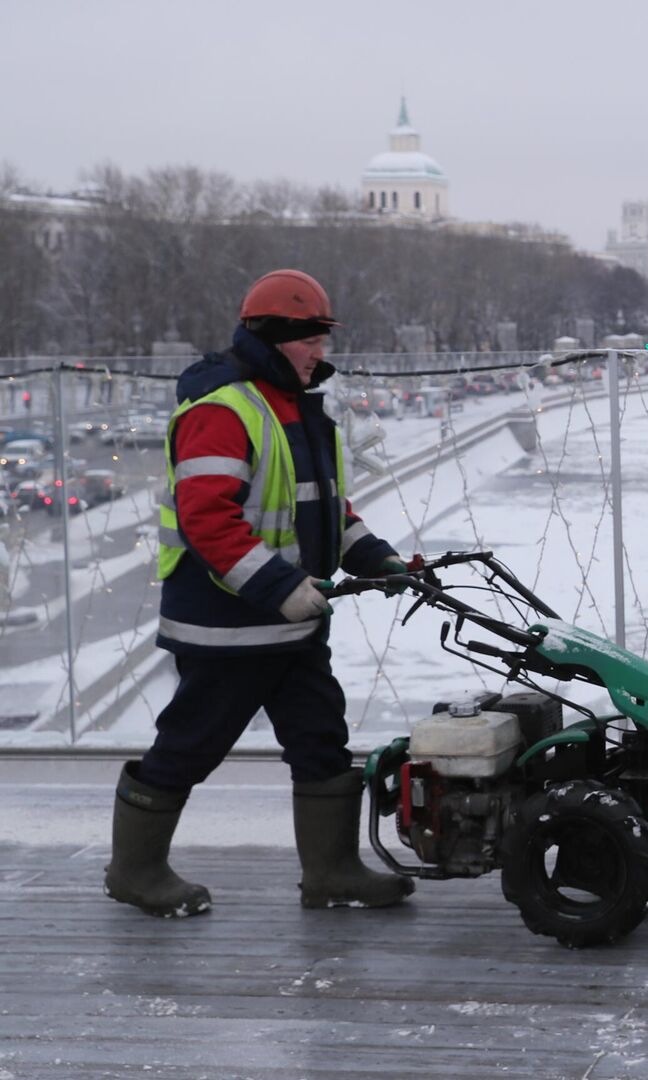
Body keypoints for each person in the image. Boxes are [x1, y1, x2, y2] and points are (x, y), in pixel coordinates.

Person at [105, 269, 415, 917]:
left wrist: (379, 558)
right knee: (190, 744)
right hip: (228, 628)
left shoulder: (299, 411)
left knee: (321, 740)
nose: (320, 352)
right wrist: (282, 587)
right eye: (309, 339)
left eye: (323, 339)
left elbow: (325, 510)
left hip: (293, 625)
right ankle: (135, 870)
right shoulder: (223, 410)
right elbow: (207, 520)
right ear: (272, 338)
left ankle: (331, 872)